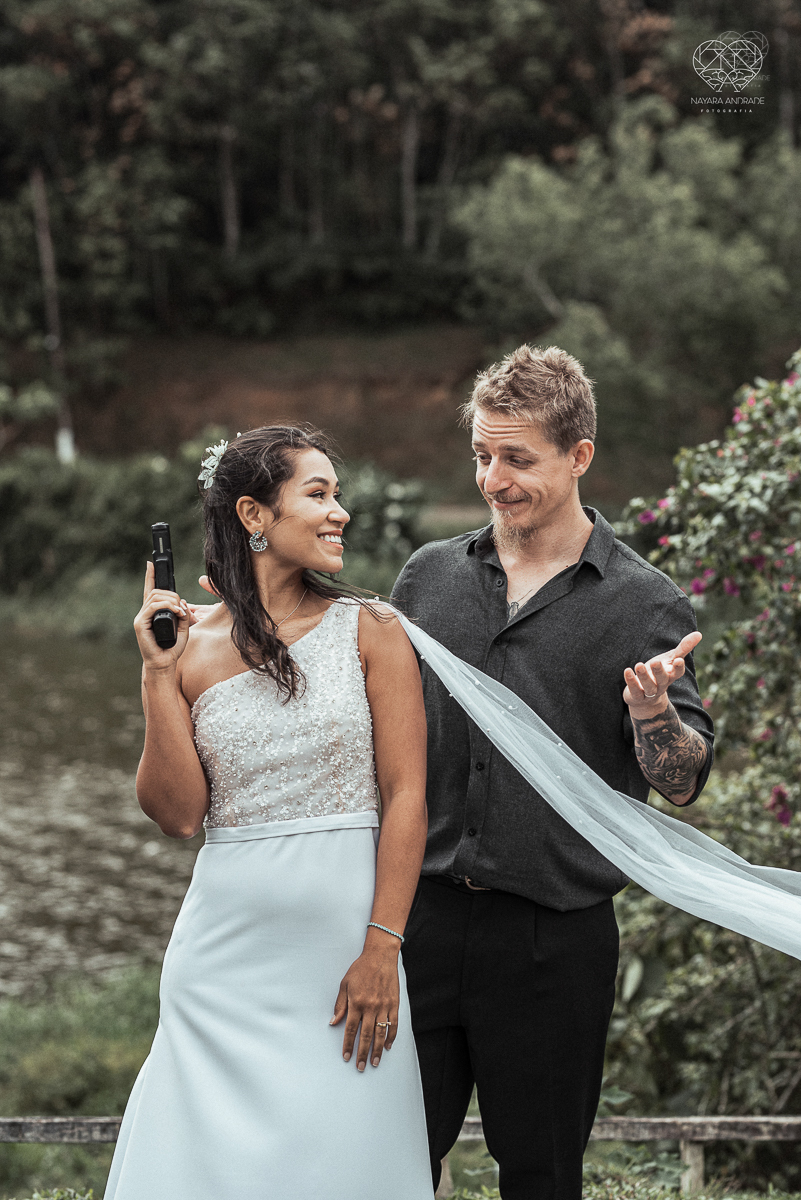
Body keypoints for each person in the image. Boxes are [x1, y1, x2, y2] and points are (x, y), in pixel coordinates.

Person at [390, 344, 715, 1200]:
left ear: (579, 456)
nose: (492, 480)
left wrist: (651, 716)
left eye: (516, 459)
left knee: (540, 1177)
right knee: (382, 1167)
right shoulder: (425, 578)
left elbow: (682, 781)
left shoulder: (644, 602)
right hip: (416, 921)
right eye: (481, 455)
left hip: (552, 941)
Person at [105, 426, 433, 1200]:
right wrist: (156, 677)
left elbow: (408, 798)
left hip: (347, 958)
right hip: (220, 968)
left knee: (349, 1161)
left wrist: (382, 946)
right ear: (254, 514)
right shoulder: (187, 648)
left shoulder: (373, 631)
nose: (340, 512)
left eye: (337, 494)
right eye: (317, 494)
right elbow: (177, 815)